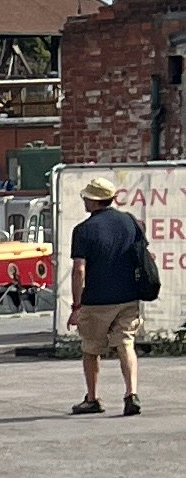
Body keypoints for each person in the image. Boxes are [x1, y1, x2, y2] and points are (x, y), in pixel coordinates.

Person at [68, 174, 152, 415]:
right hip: (128, 297)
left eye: (86, 197)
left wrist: (77, 306)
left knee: (91, 348)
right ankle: (131, 393)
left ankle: (92, 398)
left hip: (96, 300)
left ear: (94, 201)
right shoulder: (130, 222)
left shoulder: (83, 230)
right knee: (126, 343)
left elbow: (79, 270)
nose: (84, 201)